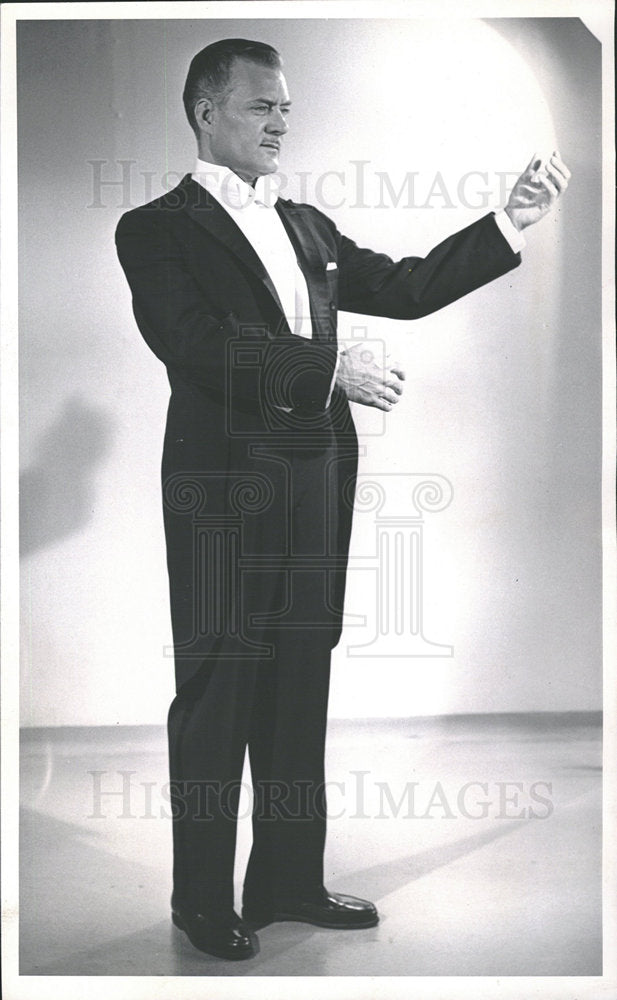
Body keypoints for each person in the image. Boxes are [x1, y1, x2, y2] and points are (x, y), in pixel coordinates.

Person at [115, 38, 570, 961]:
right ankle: (200, 899)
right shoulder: (153, 229)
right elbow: (196, 344)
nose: (281, 121)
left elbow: (403, 287)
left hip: (313, 489)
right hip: (218, 503)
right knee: (215, 696)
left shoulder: (309, 225)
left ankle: (284, 879)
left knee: (296, 690)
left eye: (286, 107)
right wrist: (331, 368)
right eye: (260, 107)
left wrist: (507, 223)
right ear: (207, 113)